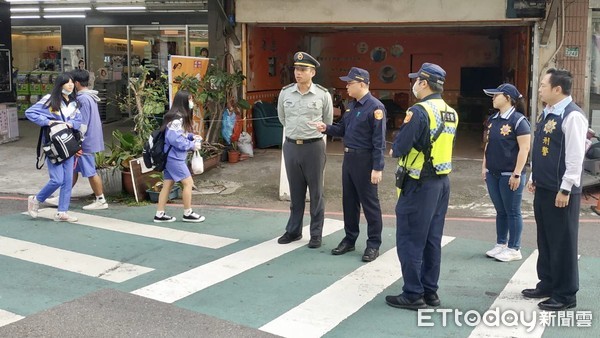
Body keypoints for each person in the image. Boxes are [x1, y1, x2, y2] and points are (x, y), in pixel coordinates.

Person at [386, 63, 458, 310]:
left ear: (424, 83)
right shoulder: (450, 112)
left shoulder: (418, 111)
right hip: (441, 182)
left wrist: (395, 145)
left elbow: (401, 147)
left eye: (416, 80)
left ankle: (413, 293)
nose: (414, 84)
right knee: (431, 239)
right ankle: (430, 291)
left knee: (409, 239)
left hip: (418, 183)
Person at [522, 69, 587, 311]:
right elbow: (541, 149)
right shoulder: (548, 114)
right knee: (546, 239)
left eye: (543, 85)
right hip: (544, 187)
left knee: (563, 242)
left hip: (562, 191)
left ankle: (566, 294)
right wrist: (534, 175)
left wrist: (566, 189)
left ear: (557, 89)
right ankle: (547, 282)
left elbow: (575, 157)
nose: (539, 89)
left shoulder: (572, 117)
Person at [313, 67, 386, 262]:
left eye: (350, 83)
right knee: (349, 202)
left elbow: (379, 141)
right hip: (349, 159)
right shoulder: (351, 106)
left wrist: (378, 167)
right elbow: (343, 129)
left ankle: (373, 244)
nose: (346, 86)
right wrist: (326, 128)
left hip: (366, 160)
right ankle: (350, 238)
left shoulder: (375, 107)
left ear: (362, 84)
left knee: (370, 204)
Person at [276, 51, 333, 248]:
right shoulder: (285, 92)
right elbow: (282, 118)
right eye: (296, 69)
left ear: (313, 72)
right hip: (291, 145)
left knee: (316, 193)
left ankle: (315, 234)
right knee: (296, 192)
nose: (298, 73)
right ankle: (293, 231)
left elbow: (328, 121)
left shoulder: (323, 95)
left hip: (314, 147)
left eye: (303, 69)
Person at [481, 83, 531, 262]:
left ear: (508, 98)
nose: (493, 98)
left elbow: (524, 148)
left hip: (509, 174)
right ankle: (501, 244)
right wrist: (484, 166)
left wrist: (517, 173)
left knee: (512, 211)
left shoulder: (518, 120)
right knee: (500, 210)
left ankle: (514, 248)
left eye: (496, 95)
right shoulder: (494, 119)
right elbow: (488, 144)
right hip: (493, 173)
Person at [46, 69, 108, 210]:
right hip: (88, 140)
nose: (70, 85)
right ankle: (63, 196)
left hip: (84, 142)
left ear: (77, 83)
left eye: (71, 82)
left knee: (90, 171)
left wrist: (77, 143)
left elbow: (82, 124)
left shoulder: (82, 99)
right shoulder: (90, 96)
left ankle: (101, 199)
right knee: (72, 170)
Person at [26, 73, 82, 222]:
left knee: (68, 180)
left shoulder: (74, 103)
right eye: (66, 82)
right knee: (57, 179)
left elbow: (79, 121)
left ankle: (62, 212)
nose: (70, 85)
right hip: (54, 144)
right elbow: (30, 112)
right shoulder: (50, 100)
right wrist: (48, 122)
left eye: (72, 82)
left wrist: (72, 124)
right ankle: (36, 199)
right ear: (60, 84)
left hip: (69, 143)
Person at [153, 89, 205, 223]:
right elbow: (174, 139)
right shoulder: (178, 118)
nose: (192, 102)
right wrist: (191, 145)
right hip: (174, 158)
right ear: (184, 101)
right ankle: (188, 213)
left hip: (170, 156)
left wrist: (191, 136)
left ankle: (160, 214)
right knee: (188, 183)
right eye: (190, 99)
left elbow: (178, 135)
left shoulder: (174, 116)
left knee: (167, 185)